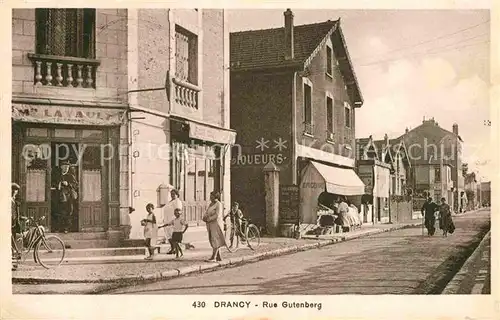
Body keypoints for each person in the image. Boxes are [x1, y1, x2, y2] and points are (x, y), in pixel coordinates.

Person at [202, 191, 226, 262]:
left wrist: (209, 219)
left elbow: (217, 215)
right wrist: (204, 217)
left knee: (215, 239)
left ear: (216, 197)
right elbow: (207, 212)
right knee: (213, 239)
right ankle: (219, 257)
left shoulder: (219, 204)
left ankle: (213, 257)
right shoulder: (211, 204)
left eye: (211, 196)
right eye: (210, 196)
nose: (210, 197)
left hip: (216, 224)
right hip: (210, 224)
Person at [57, 161, 78, 233]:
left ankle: (67, 228)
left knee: (68, 212)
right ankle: (60, 228)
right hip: (59, 197)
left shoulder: (70, 176)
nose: (66, 168)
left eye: (67, 167)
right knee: (60, 212)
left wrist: (68, 184)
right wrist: (58, 184)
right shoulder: (58, 175)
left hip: (68, 197)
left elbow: (76, 185)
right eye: (64, 166)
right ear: (61, 167)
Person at [162, 189, 183, 254]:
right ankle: (172, 248)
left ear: (177, 194)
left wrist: (174, 220)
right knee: (168, 235)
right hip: (167, 220)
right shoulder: (170, 201)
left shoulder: (177, 201)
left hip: (173, 220)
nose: (172, 195)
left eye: (174, 194)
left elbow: (178, 211)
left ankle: (175, 250)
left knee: (172, 235)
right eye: (171, 194)